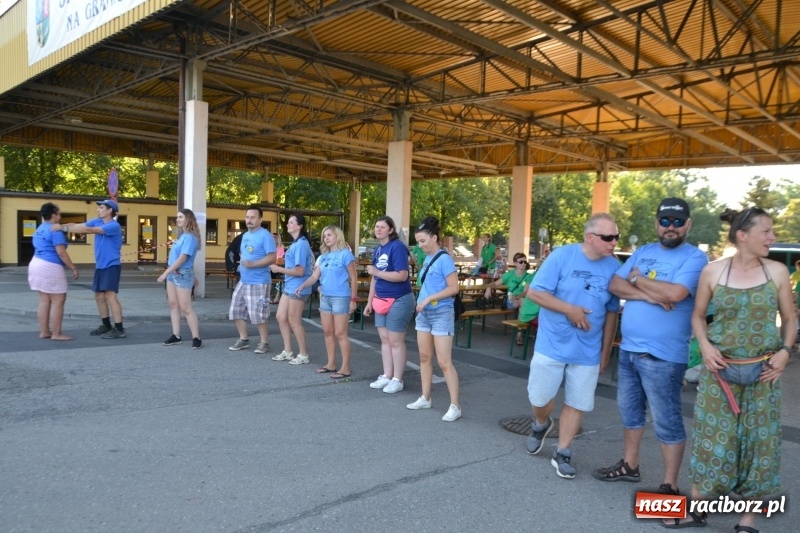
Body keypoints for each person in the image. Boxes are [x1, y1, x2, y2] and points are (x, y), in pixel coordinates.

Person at [671, 207, 795, 531]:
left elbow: (791, 320)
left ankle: (747, 522)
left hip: (764, 374)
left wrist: (785, 352)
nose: (772, 237)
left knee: (759, 445)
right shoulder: (712, 272)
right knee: (713, 441)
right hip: (719, 373)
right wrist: (707, 347)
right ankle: (697, 511)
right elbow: (698, 316)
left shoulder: (777, 273)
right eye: (766, 231)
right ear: (743, 235)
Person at [592, 198, 708, 496]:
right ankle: (630, 466)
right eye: (665, 221)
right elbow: (615, 285)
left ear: (688, 225)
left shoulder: (695, 259)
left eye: (677, 222)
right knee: (629, 412)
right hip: (630, 349)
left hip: (664, 356)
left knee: (667, 420)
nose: (671, 227)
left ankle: (669, 485)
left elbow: (677, 292)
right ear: (657, 223)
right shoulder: (643, 251)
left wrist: (637, 278)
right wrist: (649, 295)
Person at [524, 213, 621, 479]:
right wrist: (570, 310)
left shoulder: (614, 267)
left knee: (577, 402)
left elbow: (612, 311)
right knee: (540, 399)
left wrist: (606, 351)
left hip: (587, 350)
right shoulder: (562, 256)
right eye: (608, 237)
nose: (614, 242)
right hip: (551, 345)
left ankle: (563, 452)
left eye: (616, 237)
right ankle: (541, 423)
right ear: (590, 237)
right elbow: (534, 292)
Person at [406, 217, 462, 421]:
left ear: (434, 238)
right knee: (424, 357)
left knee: (444, 362)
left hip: (441, 313)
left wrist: (429, 298)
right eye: (418, 242)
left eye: (422, 241)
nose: (420, 246)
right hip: (424, 314)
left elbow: (453, 288)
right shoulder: (427, 258)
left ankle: (455, 405)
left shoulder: (444, 259)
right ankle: (425, 397)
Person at [54, 199, 125, 339]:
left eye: (101, 208)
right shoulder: (97, 221)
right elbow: (78, 225)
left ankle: (119, 328)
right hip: (100, 265)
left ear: (110, 210)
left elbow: (88, 230)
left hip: (111, 265)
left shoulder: (113, 226)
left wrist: (64, 228)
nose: (98, 210)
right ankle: (106, 325)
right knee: (99, 296)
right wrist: (61, 225)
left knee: (110, 296)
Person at [296, 225, 357, 378]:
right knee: (328, 332)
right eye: (324, 236)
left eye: (329, 235)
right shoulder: (322, 257)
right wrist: (303, 285)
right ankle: (331, 364)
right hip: (326, 298)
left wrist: (353, 299)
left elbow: (354, 278)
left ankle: (345, 367)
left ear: (337, 236)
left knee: (340, 333)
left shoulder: (345, 254)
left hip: (341, 297)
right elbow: (315, 277)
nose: (326, 238)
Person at [363, 216, 415, 393]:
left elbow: (402, 275)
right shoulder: (378, 249)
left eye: (382, 227)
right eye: (376, 226)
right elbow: (374, 279)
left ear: (390, 230)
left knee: (395, 340)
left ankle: (397, 379)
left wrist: (377, 271)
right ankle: (387, 375)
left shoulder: (397, 247)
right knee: (384, 340)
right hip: (380, 299)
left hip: (399, 298)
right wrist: (369, 301)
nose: (378, 229)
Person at [228, 205, 277, 354]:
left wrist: (253, 264)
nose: (249, 220)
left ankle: (264, 343)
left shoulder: (265, 235)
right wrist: (244, 260)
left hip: (259, 281)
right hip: (244, 279)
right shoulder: (245, 236)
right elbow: (245, 253)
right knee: (236, 309)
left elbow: (272, 257)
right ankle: (244, 339)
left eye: (252, 217)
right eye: (247, 217)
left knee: (259, 314)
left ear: (260, 219)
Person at [28, 202, 79, 341]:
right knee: (58, 300)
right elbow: (61, 252)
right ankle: (57, 333)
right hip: (50, 265)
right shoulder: (55, 231)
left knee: (44, 299)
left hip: (35, 263)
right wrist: (73, 267)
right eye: (59, 213)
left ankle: (44, 331)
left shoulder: (39, 228)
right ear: (53, 215)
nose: (60, 216)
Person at [269, 214, 314, 365]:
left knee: (294, 321)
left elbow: (300, 271)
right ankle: (288, 351)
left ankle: (303, 354)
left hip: (299, 287)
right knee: (281, 317)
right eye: (288, 222)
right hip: (290, 286)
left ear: (300, 226)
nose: (288, 225)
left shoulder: (301, 244)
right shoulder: (296, 243)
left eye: (291, 222)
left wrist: (278, 269)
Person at [157, 208, 203, 349]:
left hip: (181, 274)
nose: (177, 219)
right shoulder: (182, 236)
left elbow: (183, 258)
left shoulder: (190, 237)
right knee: (173, 304)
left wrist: (165, 273)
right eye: (177, 217)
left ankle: (196, 338)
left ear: (188, 219)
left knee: (186, 307)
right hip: (174, 273)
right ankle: (176, 335)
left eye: (180, 217)